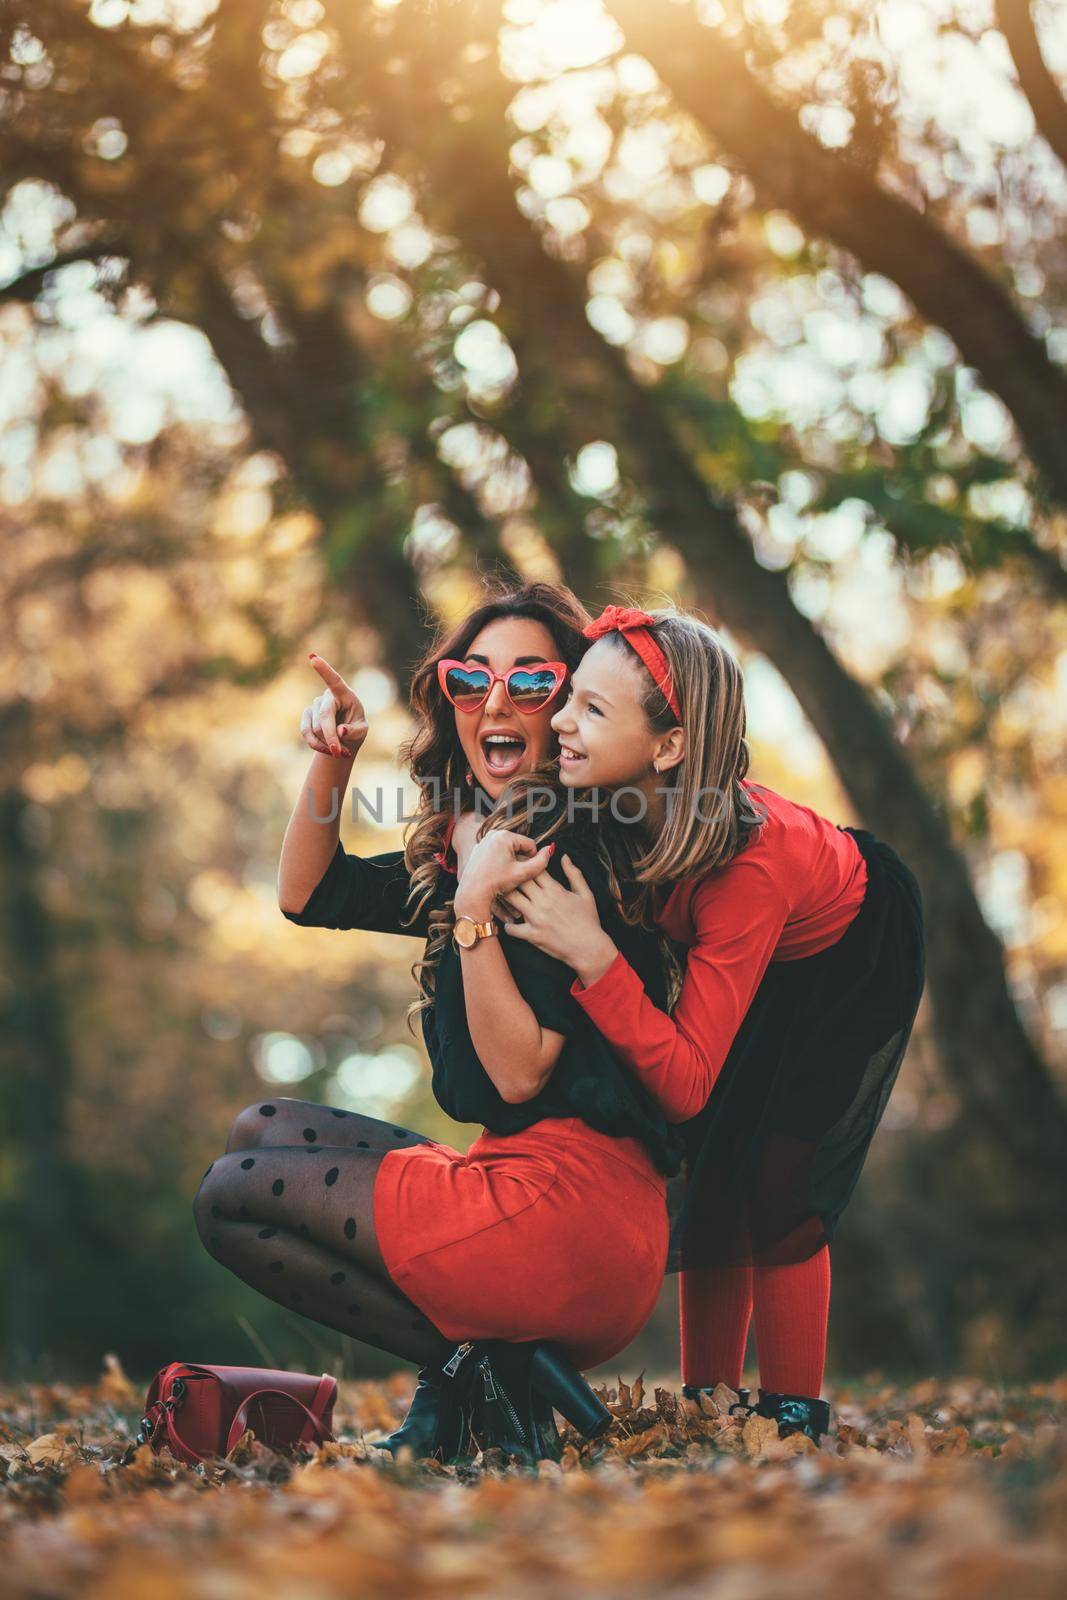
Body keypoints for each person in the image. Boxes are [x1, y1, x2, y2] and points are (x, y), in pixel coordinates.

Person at [193, 584, 683, 1466]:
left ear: (570, 710)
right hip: (539, 1193)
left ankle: (480, 1367)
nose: (495, 703)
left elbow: (517, 1077)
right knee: (259, 1128)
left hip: (570, 1219)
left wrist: (473, 910)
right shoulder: (480, 839)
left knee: (233, 1195)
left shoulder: (561, 849)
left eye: (531, 684)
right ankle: (490, 1368)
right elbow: (309, 896)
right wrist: (336, 761)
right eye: (470, 680)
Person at [485, 603, 927, 1444]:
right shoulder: (607, 802)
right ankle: (708, 1404)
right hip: (752, 951)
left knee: (773, 1179)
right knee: (711, 1166)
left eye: (593, 711)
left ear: (669, 747)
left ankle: (793, 1421)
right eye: (569, 697)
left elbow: (683, 1082)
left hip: (848, 954)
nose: (562, 722)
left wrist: (594, 959)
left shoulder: (747, 871)